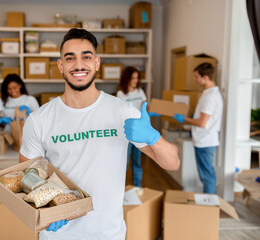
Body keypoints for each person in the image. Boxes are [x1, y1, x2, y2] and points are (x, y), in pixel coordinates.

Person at [19, 28, 180, 239]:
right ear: (60, 65)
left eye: (86, 56)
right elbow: (28, 177)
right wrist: (44, 209)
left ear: (97, 63)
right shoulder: (39, 119)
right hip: (58, 235)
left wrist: (153, 137)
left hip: (108, 233)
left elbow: (172, 163)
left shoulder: (124, 112)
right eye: (70, 58)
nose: (78, 65)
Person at [172, 62, 223, 194]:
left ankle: (209, 205)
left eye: (197, 77)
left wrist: (185, 119)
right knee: (206, 175)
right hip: (204, 140)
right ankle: (208, 203)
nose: (195, 80)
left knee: (207, 176)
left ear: (205, 77)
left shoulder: (210, 97)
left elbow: (202, 123)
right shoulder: (208, 94)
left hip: (205, 141)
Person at [116, 66, 147, 187]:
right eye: (133, 78)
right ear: (127, 78)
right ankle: (120, 187)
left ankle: (137, 187)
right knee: (124, 162)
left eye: (137, 78)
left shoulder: (140, 91)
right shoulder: (121, 93)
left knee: (137, 161)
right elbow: (120, 113)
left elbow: (145, 107)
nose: (135, 80)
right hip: (127, 132)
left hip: (140, 132)